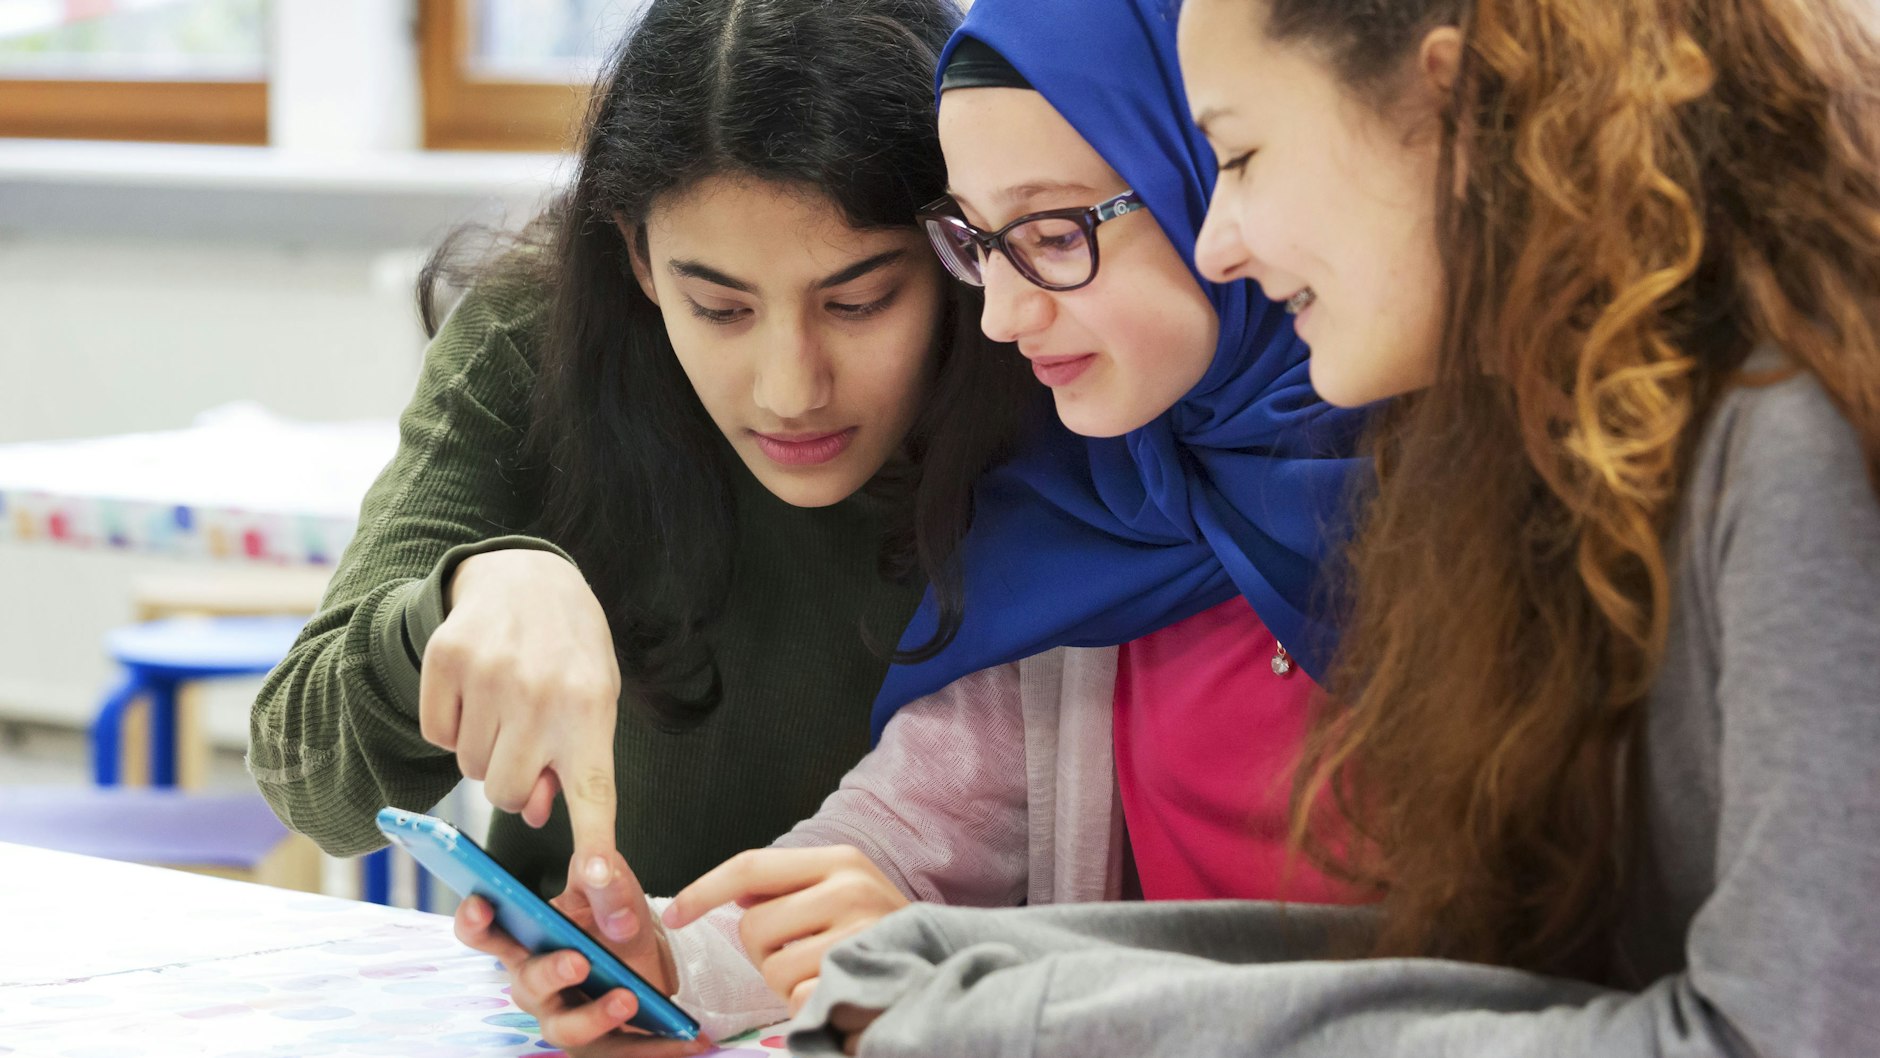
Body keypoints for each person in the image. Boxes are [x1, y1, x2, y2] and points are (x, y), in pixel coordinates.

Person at [786, 0, 1880, 1054]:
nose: (1218, 242)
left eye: (1240, 156)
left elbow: (1780, 1035)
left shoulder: (1785, 428)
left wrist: (1032, 1019)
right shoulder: (1551, 432)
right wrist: (975, 974)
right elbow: (1501, 977)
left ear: (1443, 113)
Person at [455, 0, 1369, 1048]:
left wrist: (989, 977)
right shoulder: (1085, 503)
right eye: (979, 245)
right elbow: (903, 843)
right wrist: (676, 963)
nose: (999, 316)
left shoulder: (1466, 512)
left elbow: (1493, 968)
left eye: (1053, 235)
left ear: (1205, 181)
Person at [249, 0, 1032, 928]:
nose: (790, 389)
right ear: (638, 256)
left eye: (858, 302)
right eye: (721, 309)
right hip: (593, 995)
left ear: (959, 247)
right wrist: (462, 598)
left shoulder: (1046, 363)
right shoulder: (531, 347)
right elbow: (308, 782)